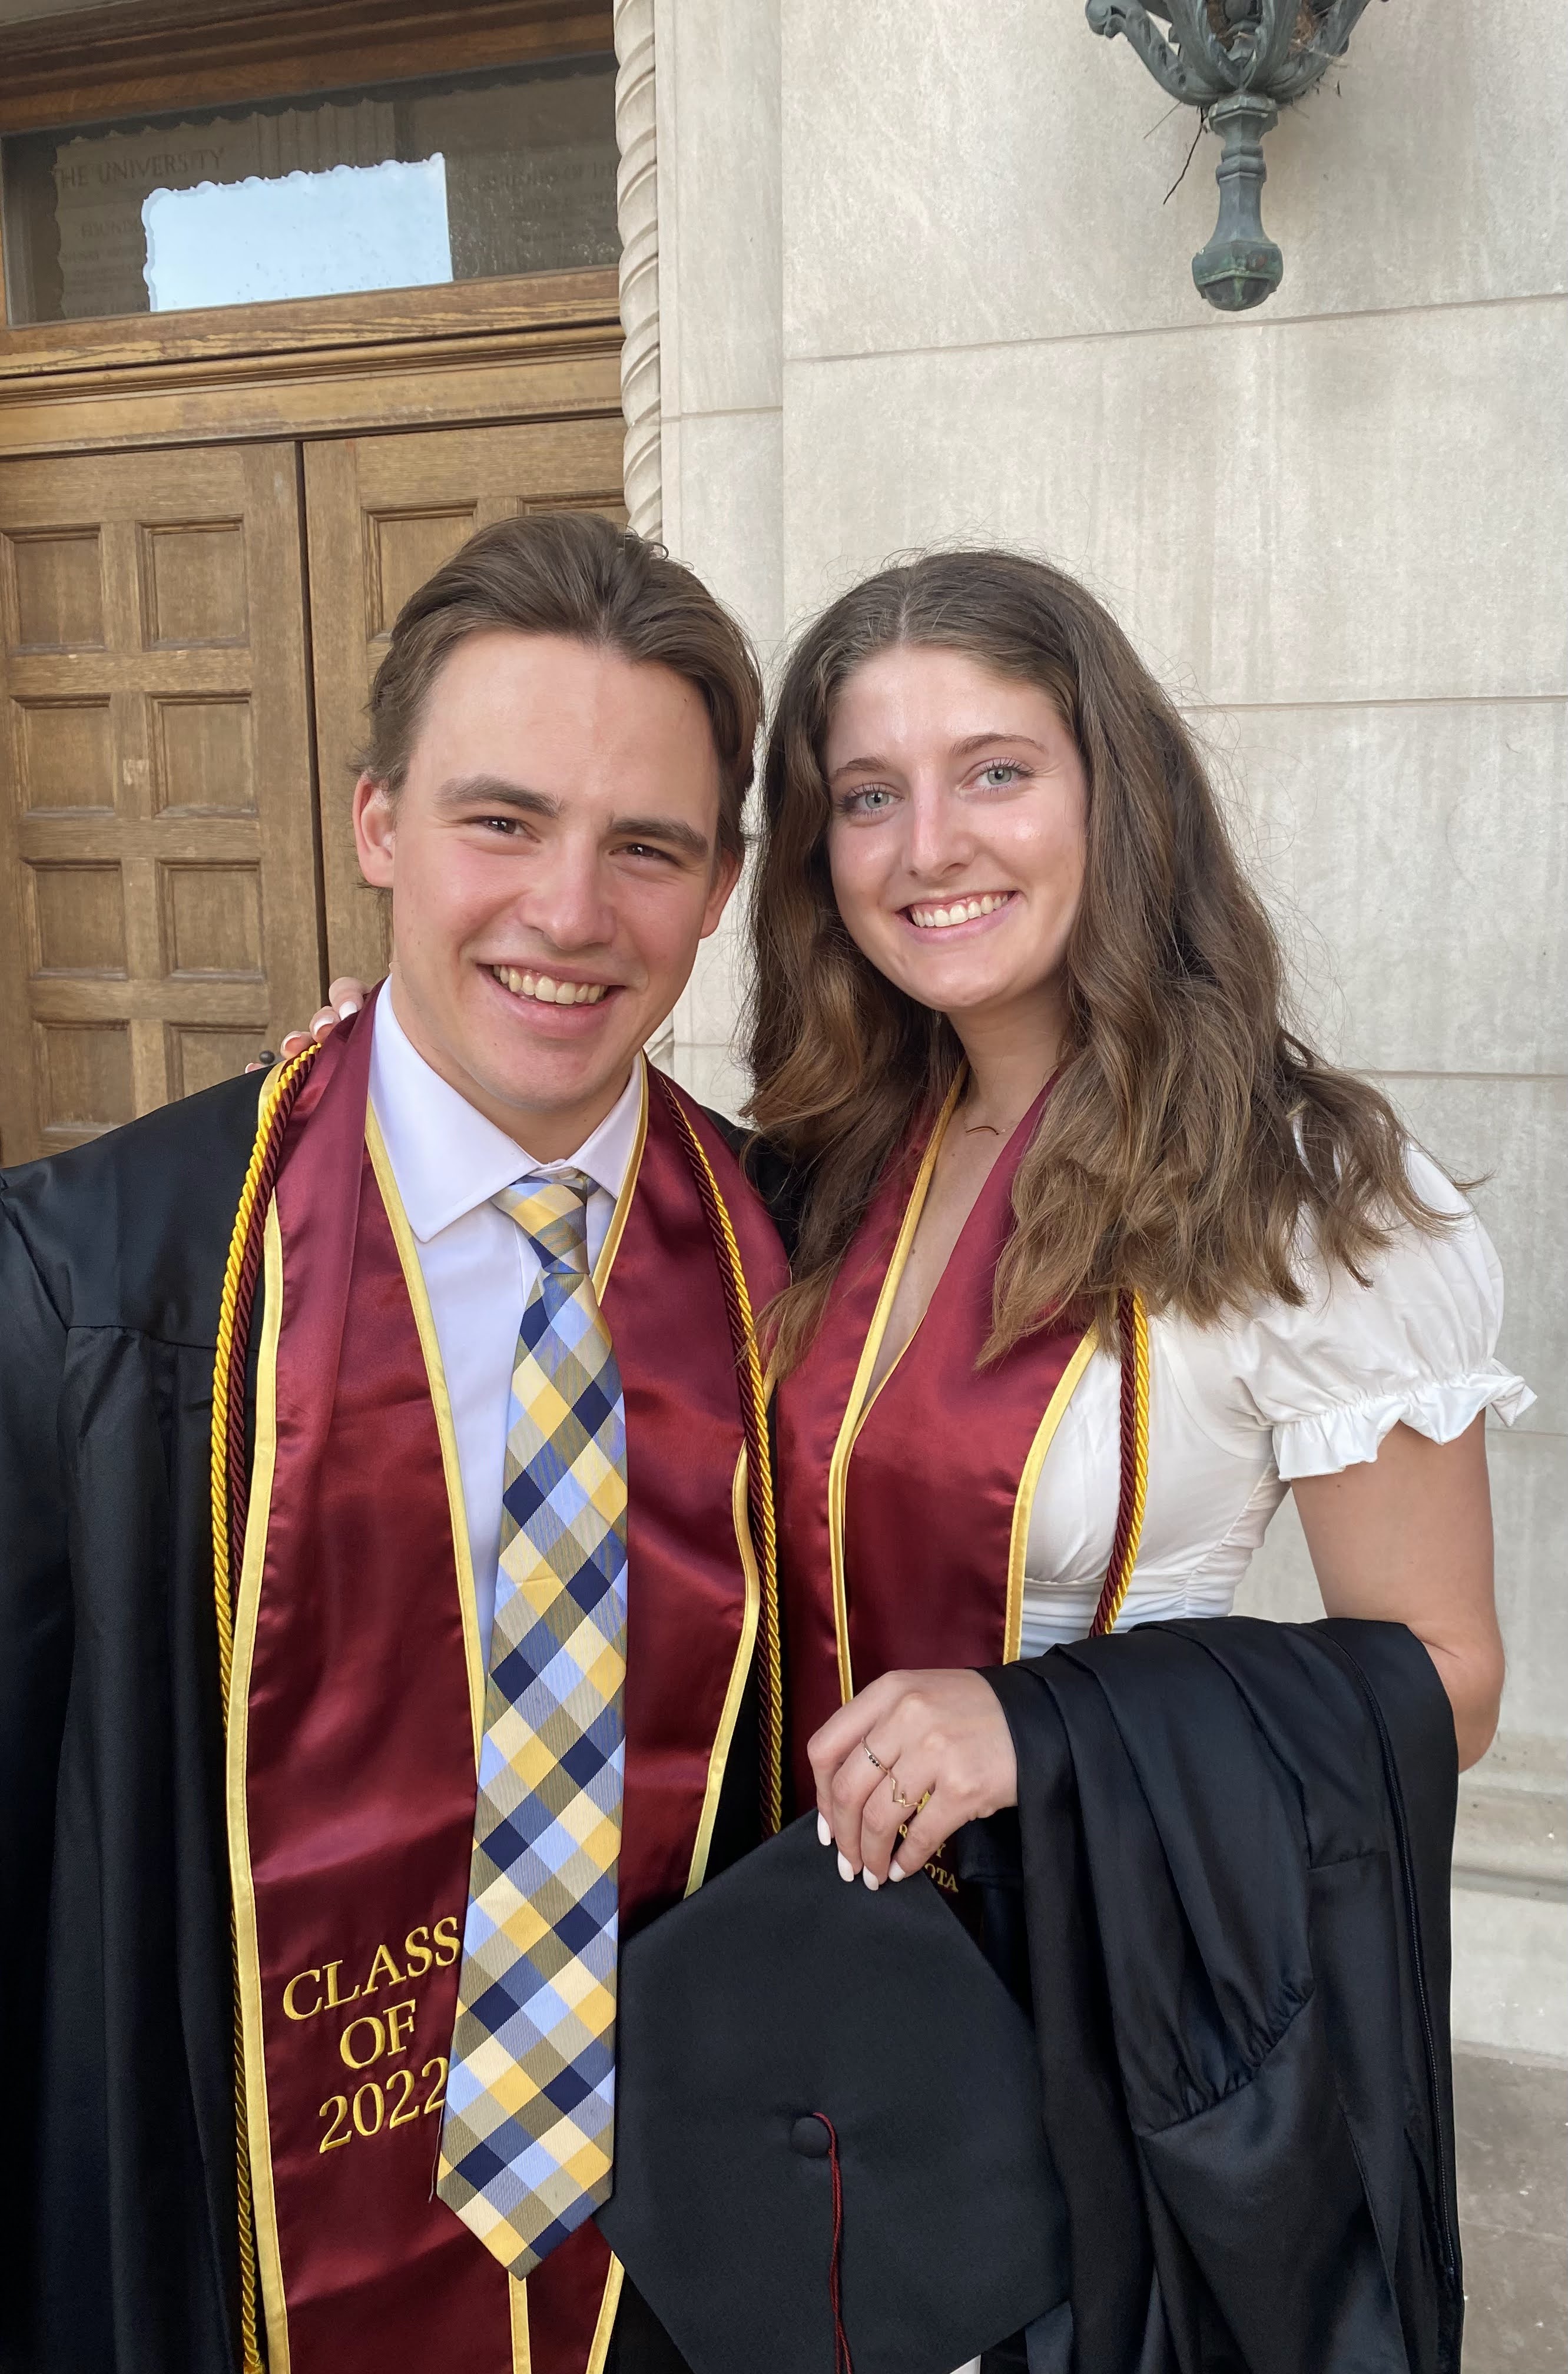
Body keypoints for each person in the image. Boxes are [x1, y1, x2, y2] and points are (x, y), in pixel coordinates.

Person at [0, 513, 788, 2374]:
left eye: (648, 849)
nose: (570, 910)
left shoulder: (794, 1273)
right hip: (228, 2258)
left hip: (671, 2282)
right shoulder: (99, 1289)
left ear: (725, 887)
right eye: (499, 822)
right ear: (378, 826)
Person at [741, 551, 1525, 1887]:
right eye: (871, 796)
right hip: (785, 1933)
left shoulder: (1303, 1197)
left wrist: (1042, 1722)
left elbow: (1445, 1690)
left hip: (1094, 1947)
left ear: (1120, 794)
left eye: (997, 771)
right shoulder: (826, 1164)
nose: (930, 845)